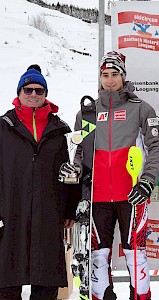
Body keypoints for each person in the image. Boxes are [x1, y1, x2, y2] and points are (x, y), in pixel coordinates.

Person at [73, 51, 159, 300]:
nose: (110, 80)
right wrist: (81, 185)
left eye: (115, 74)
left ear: (123, 76)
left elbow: (156, 147)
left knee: (136, 255)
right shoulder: (88, 113)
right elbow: (80, 153)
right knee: (98, 257)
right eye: (105, 75)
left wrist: (147, 180)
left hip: (132, 194)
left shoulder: (140, 109)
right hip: (98, 195)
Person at [0, 65, 79, 299]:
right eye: (28, 89)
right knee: (6, 280)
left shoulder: (58, 129)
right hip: (10, 211)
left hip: (48, 213)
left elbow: (68, 172)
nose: (33, 94)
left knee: (46, 283)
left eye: (39, 90)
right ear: (19, 93)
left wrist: (69, 209)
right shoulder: (4, 127)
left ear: (45, 94)